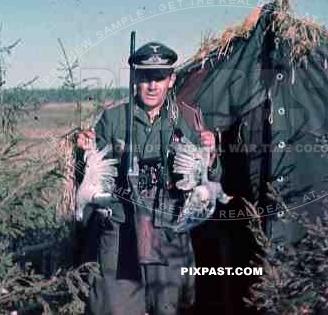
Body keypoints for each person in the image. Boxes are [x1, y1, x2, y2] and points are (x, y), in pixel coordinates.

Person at [76, 41, 221, 315]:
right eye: (145, 78)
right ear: (135, 79)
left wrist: (210, 155)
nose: (152, 86)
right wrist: (83, 151)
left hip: (168, 232)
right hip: (121, 233)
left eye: (159, 78)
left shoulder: (188, 119)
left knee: (169, 307)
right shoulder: (113, 118)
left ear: (171, 79)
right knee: (114, 308)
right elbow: (89, 179)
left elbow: (209, 182)